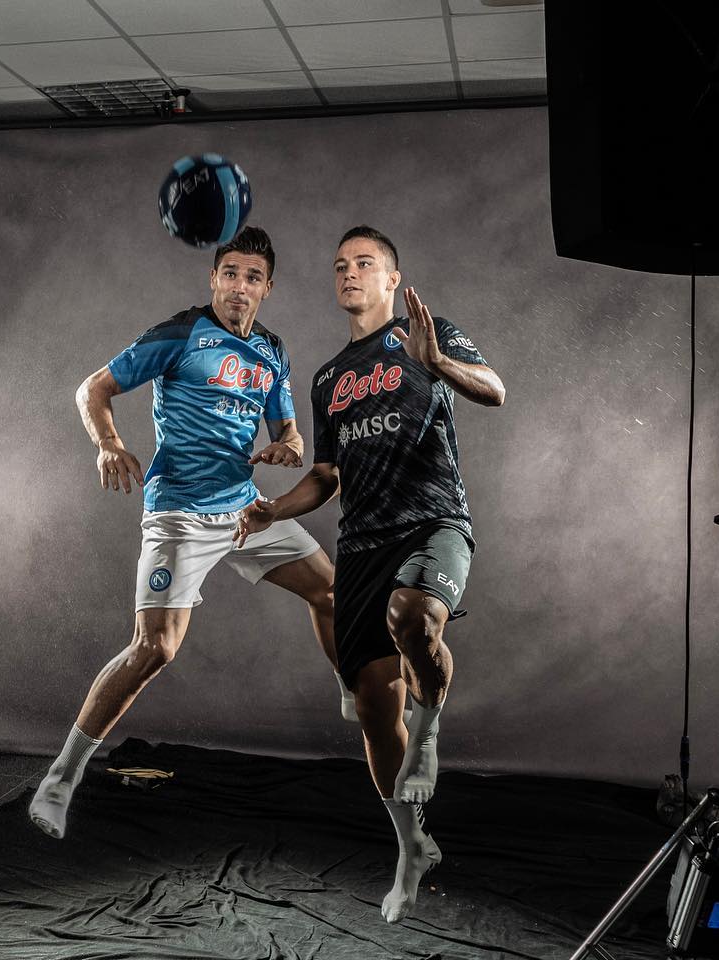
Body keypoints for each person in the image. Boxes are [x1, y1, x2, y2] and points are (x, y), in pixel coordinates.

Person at [28, 226, 343, 840]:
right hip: (180, 512)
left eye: (252, 277)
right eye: (229, 273)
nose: (238, 287)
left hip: (245, 511)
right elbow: (93, 388)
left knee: (333, 594)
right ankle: (61, 778)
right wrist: (110, 445)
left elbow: (291, 434)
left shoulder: (273, 351)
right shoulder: (180, 333)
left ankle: (350, 692)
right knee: (155, 649)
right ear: (213, 279)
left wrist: (286, 446)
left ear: (266, 288)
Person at [237, 225, 506, 922]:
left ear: (392, 278)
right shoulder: (328, 377)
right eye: (338, 266)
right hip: (362, 545)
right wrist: (271, 511)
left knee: (413, 617)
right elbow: (324, 476)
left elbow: (495, 390)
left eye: (364, 263)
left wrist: (439, 363)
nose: (348, 274)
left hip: (434, 521)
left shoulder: (429, 333)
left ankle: (432, 735)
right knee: (371, 710)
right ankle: (412, 846)